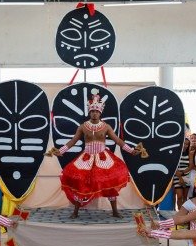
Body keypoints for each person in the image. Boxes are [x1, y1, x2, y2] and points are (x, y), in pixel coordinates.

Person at [53, 89, 140, 218]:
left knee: (110, 183)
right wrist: (59, 151)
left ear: (100, 112)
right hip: (86, 159)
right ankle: (75, 211)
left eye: (96, 111)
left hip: (103, 159)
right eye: (92, 111)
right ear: (89, 112)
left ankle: (115, 211)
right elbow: (73, 141)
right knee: (81, 183)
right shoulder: (83, 127)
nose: (94, 113)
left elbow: (118, 141)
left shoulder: (106, 127)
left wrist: (131, 150)